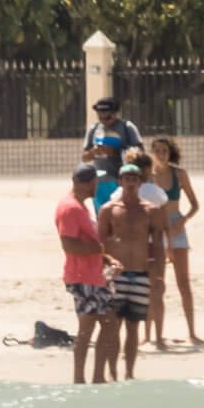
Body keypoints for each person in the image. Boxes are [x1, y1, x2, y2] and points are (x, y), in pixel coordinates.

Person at [96, 159, 164, 378]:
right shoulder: (109, 210)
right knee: (113, 325)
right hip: (116, 276)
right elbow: (100, 244)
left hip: (141, 273)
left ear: (141, 181)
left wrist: (159, 275)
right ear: (120, 181)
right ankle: (113, 371)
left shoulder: (150, 211)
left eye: (134, 178)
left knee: (133, 326)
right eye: (127, 178)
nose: (131, 182)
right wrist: (102, 272)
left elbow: (158, 245)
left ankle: (129, 373)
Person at [57, 164, 119, 384]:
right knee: (87, 329)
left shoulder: (81, 207)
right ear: (86, 183)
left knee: (109, 323)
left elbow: (87, 241)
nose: (97, 185)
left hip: (94, 276)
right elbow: (69, 243)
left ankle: (97, 377)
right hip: (83, 278)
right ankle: (79, 379)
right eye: (95, 181)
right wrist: (99, 249)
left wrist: (107, 258)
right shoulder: (70, 208)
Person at [143, 137, 201, 349]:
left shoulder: (179, 174)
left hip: (176, 227)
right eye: (157, 150)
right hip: (157, 230)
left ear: (170, 152)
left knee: (183, 282)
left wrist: (183, 220)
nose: (161, 154)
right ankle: (149, 334)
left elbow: (195, 204)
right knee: (155, 284)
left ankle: (192, 332)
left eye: (164, 150)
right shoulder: (148, 177)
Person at [81, 97, 143, 208]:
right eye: (100, 116)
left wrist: (116, 152)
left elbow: (140, 153)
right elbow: (84, 157)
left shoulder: (127, 127)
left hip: (122, 181)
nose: (104, 119)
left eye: (107, 116)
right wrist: (93, 152)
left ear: (115, 113)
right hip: (100, 182)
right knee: (102, 217)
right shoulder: (93, 129)